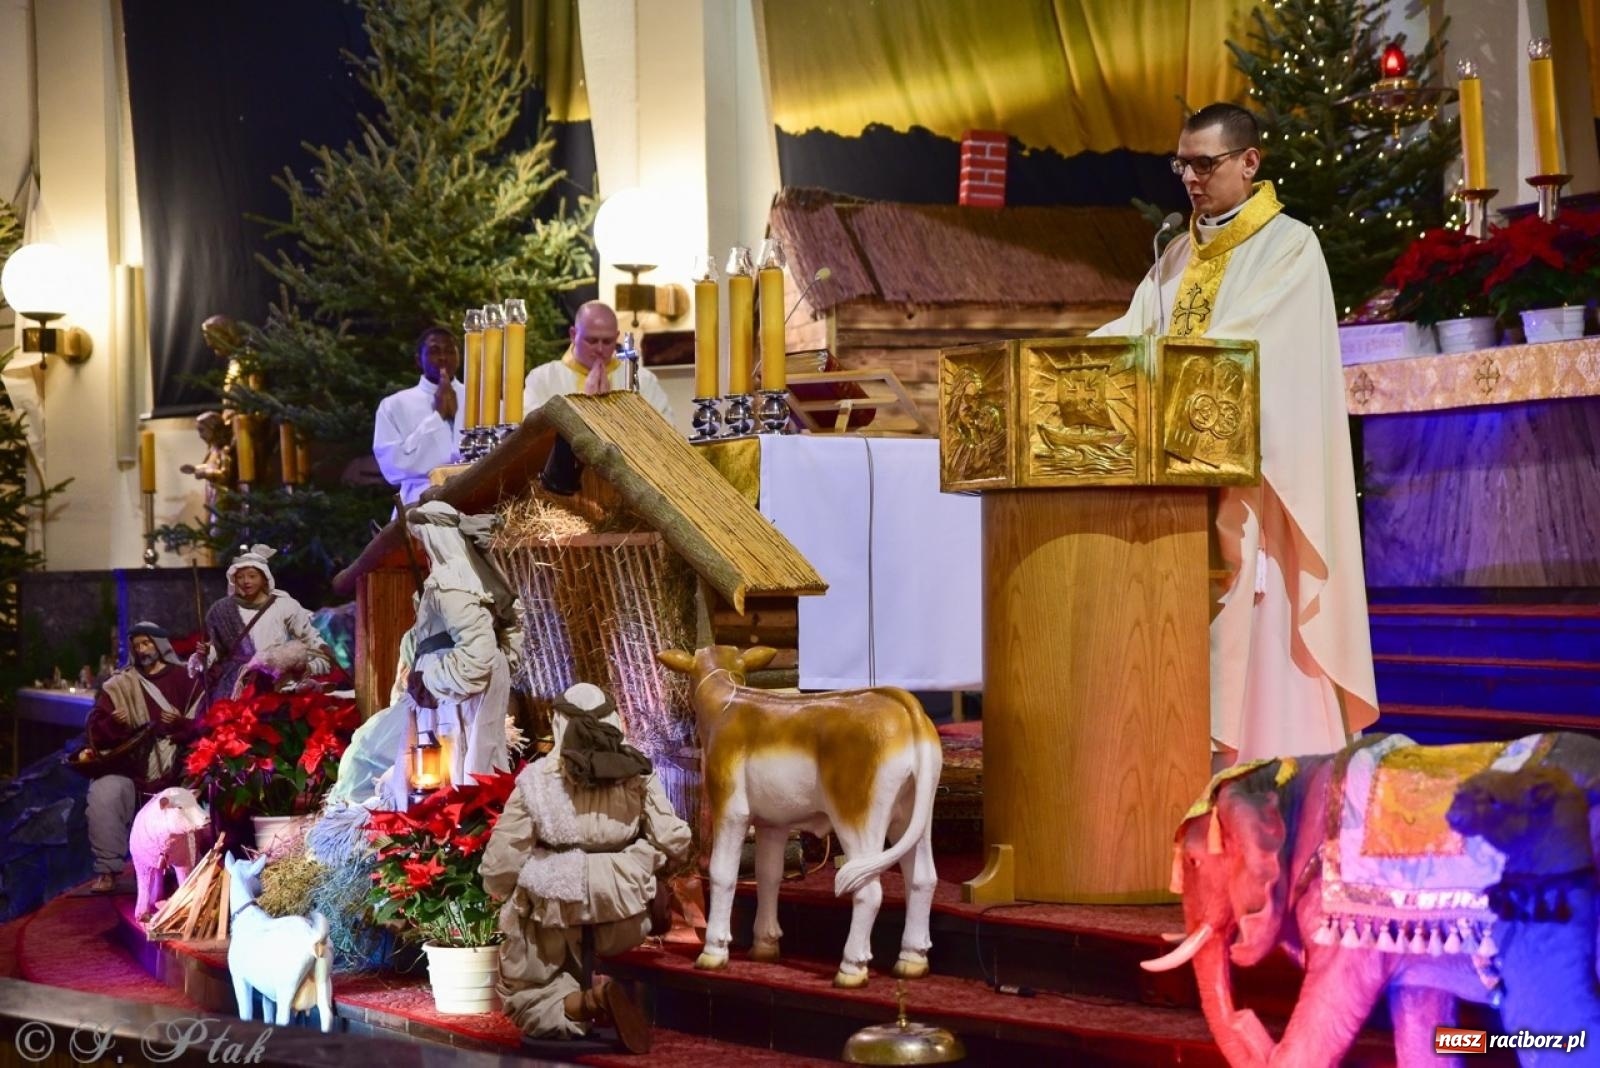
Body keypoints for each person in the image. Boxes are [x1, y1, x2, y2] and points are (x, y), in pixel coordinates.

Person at [1092, 102, 1377, 768]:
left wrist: (1163, 364)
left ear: (1250, 162)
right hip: (1174, 486)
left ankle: (1271, 768)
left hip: (1255, 489)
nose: (1190, 178)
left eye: (1204, 163)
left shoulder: (1289, 246)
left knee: (1261, 623)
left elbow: (1255, 350)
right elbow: (1135, 333)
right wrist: (1065, 358)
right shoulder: (1176, 252)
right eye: (1181, 164)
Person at [479, 683, 690, 1053]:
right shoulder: (637, 771)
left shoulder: (539, 779)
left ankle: (590, 1002)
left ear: (559, 723)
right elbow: (674, 839)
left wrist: (498, 888)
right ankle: (594, 1000)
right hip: (624, 910)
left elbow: (503, 857)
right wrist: (645, 862)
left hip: (556, 906)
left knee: (525, 996)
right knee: (566, 953)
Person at [83, 622, 205, 893]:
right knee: (104, 793)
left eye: (147, 643)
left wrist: (181, 724)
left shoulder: (187, 679)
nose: (141, 650)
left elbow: (205, 725)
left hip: (178, 766)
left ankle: (192, 867)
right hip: (131, 767)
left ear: (161, 645)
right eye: (137, 645)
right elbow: (95, 732)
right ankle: (107, 870)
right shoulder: (120, 685)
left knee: (196, 790)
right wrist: (114, 724)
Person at [189, 545, 335, 704]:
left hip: (276, 681)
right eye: (240, 577)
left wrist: (318, 651)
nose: (246, 581)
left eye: (252, 576)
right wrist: (206, 653)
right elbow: (218, 648)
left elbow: (309, 638)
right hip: (234, 684)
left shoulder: (284, 605)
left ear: (264, 577)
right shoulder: (222, 609)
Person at [523, 302, 674, 422]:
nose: (600, 349)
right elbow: (532, 434)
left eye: (607, 341)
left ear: (616, 337)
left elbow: (665, 430)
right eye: (592, 340)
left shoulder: (643, 380)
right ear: (573, 334)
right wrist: (587, 406)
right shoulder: (543, 378)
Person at [373, 327, 467, 506]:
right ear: (418, 360)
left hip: (477, 494)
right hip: (420, 500)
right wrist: (438, 417)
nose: (442, 357)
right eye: (434, 351)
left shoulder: (479, 398)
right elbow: (393, 468)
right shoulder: (394, 405)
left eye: (449, 350)